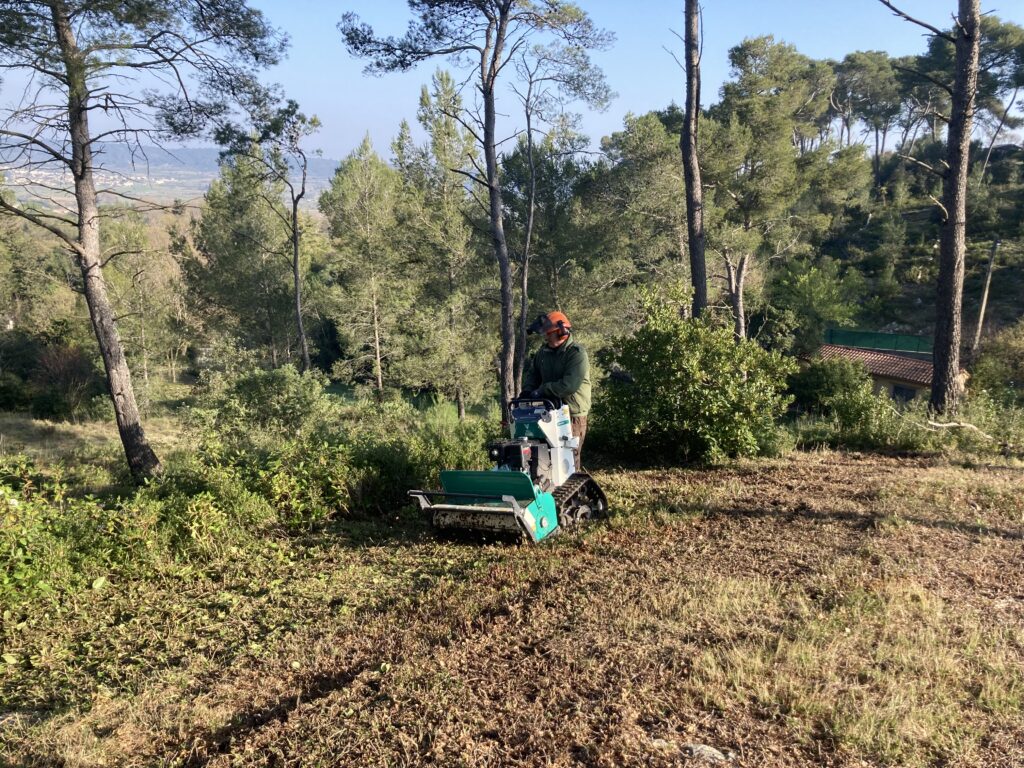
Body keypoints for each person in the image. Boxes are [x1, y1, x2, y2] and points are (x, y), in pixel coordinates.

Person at [520, 311, 591, 467]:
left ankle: (572, 490)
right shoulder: (543, 353)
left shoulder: (576, 354)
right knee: (544, 457)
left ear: (561, 332)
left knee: (568, 460)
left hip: (571, 414)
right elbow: (534, 374)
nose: (546, 338)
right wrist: (527, 391)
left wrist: (542, 390)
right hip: (547, 411)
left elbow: (569, 385)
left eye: (549, 334)